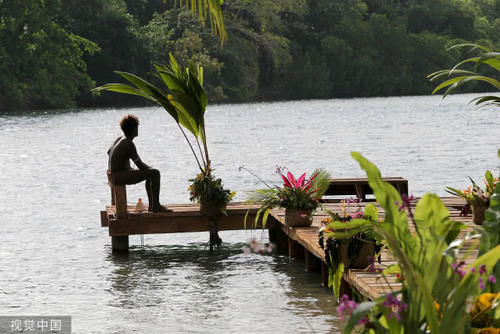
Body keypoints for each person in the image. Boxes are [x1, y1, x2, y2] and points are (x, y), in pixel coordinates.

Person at [107, 114, 171, 212]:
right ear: (133, 129)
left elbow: (109, 152)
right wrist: (151, 169)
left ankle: (152, 206)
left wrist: (124, 164)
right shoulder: (128, 143)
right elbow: (140, 165)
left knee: (150, 173)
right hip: (119, 176)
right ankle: (156, 205)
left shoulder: (119, 138)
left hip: (114, 175)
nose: (137, 129)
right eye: (137, 127)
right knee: (155, 173)